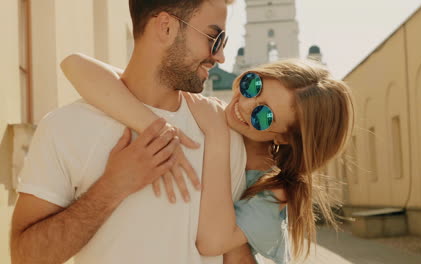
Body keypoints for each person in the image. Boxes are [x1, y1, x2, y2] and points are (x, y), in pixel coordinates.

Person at [10, 0, 251, 263]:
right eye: (214, 39)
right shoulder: (65, 127)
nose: (220, 57)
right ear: (166, 27)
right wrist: (113, 187)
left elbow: (234, 256)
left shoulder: (222, 134)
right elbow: (25, 256)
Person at [61, 53, 355, 263]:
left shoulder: (276, 189)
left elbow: (212, 241)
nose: (245, 103)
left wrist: (216, 136)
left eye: (264, 115)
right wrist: (155, 127)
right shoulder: (208, 110)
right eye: (254, 84)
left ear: (284, 138)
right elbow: (74, 65)